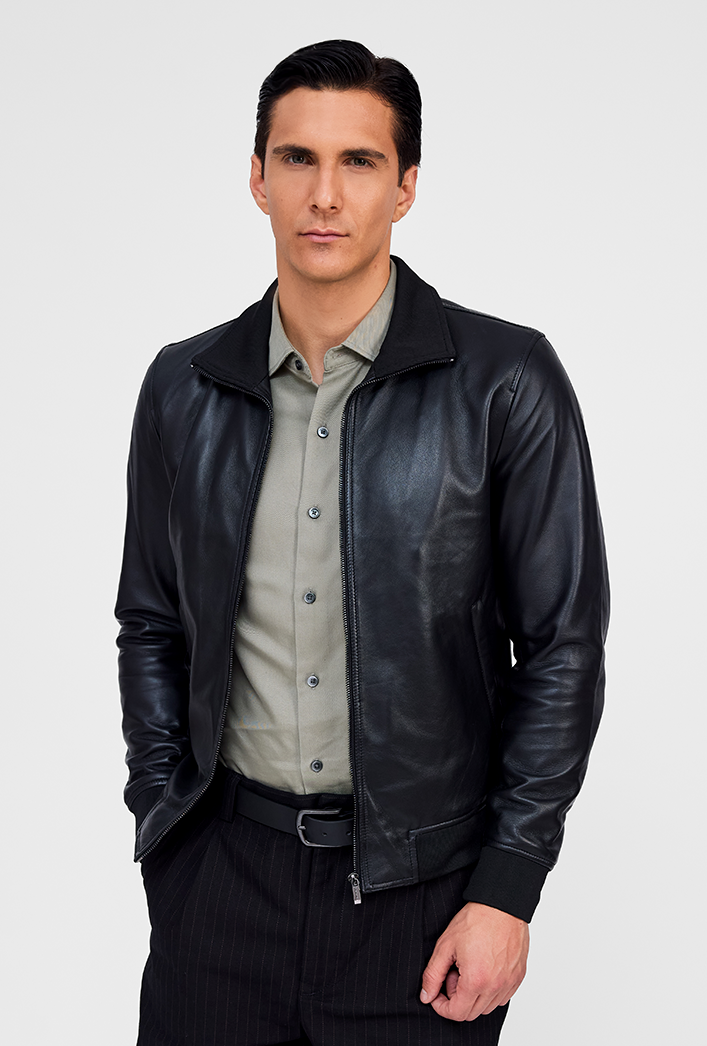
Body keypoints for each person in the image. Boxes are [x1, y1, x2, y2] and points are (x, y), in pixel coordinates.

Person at [116, 39, 609, 1046]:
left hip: (421, 902)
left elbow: (561, 646)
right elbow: (151, 621)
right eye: (297, 158)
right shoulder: (182, 387)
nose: (325, 195)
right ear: (257, 178)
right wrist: (163, 827)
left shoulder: (505, 382)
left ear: (405, 186)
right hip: (220, 888)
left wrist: (507, 885)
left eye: (359, 161)